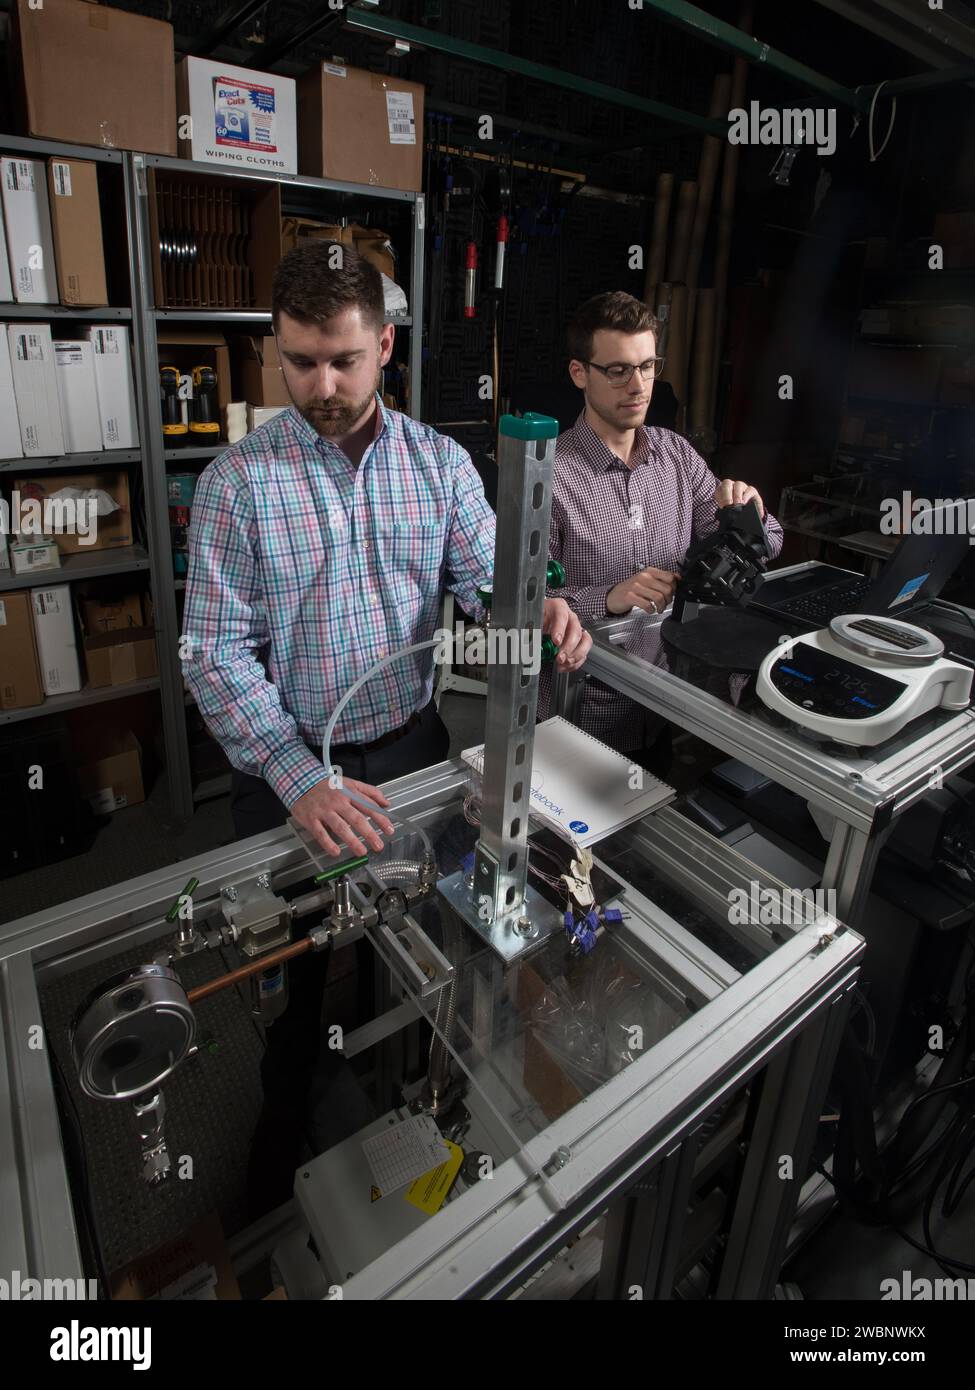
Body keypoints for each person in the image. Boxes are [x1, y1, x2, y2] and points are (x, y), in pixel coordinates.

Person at [182, 242, 591, 1209]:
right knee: (293, 987)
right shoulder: (237, 486)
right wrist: (294, 775)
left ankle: (399, 1126)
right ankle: (275, 1171)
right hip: (293, 773)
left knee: (409, 951)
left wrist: (533, 604)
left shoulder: (440, 466)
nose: (319, 384)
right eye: (297, 361)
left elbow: (488, 583)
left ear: (388, 346)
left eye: (343, 360)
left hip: (409, 753)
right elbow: (214, 652)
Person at [542, 291, 784, 773]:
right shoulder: (547, 476)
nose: (638, 385)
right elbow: (522, 606)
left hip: (660, 706)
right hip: (575, 715)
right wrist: (608, 597)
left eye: (648, 366)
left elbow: (770, 543)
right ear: (579, 373)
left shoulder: (676, 456)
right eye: (617, 370)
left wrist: (745, 512)